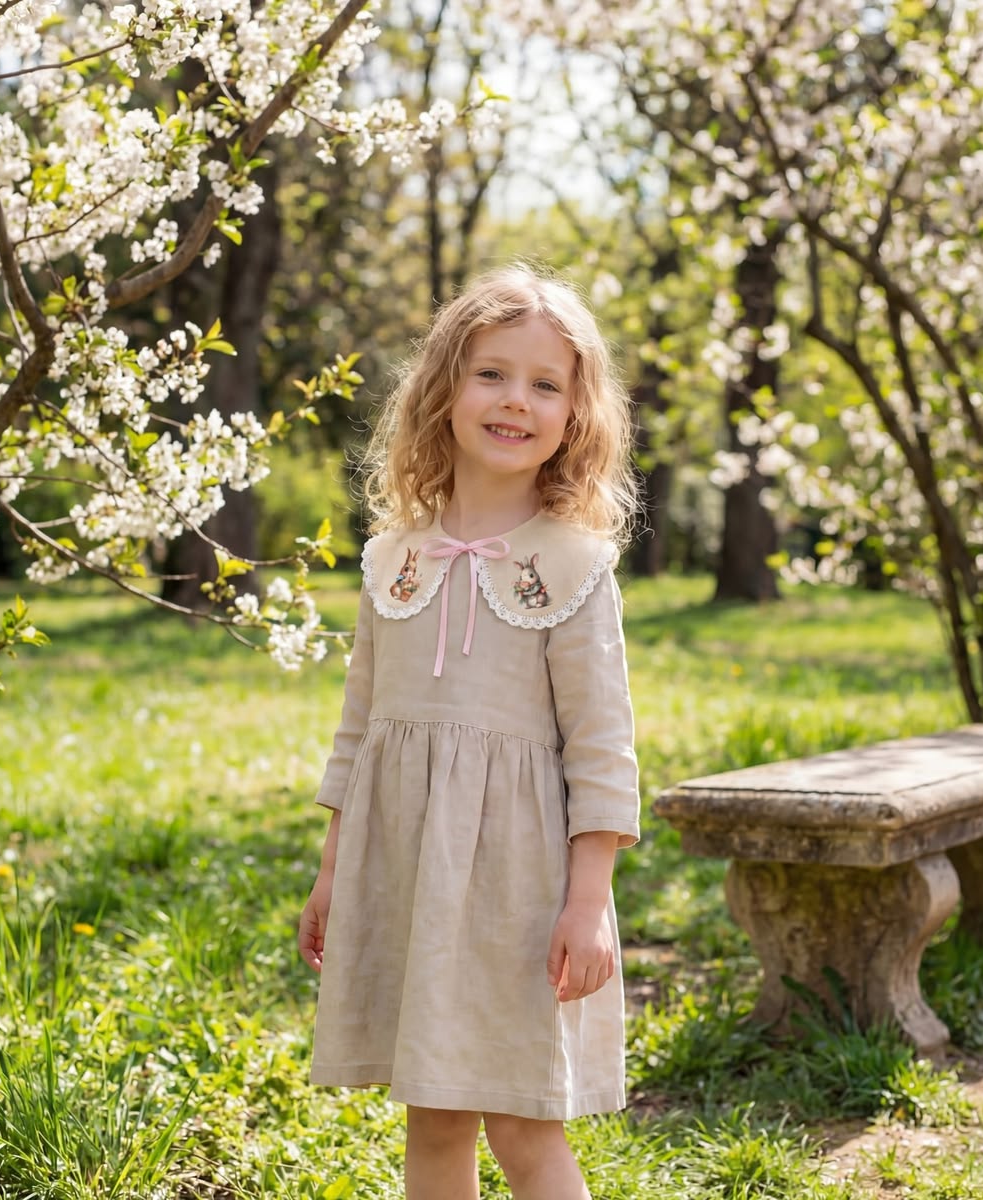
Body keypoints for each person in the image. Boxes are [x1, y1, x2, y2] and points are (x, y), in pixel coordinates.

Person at [298, 263, 641, 1200]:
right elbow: (359, 732)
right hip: (410, 872)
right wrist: (332, 872)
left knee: (523, 1123)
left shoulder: (572, 567)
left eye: (545, 384)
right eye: (492, 373)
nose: (515, 400)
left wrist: (587, 903)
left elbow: (602, 750)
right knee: (435, 1116)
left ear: (575, 416)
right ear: (444, 387)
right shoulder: (392, 560)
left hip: (520, 893)